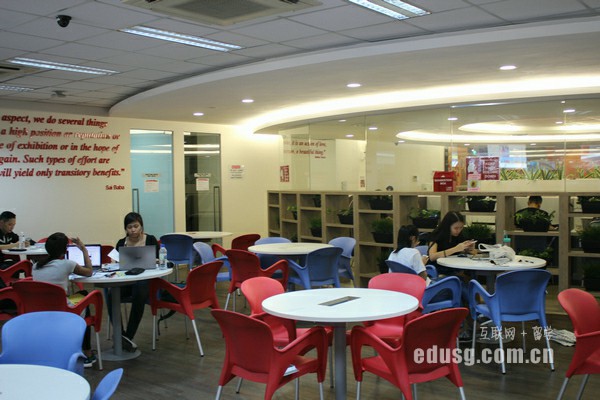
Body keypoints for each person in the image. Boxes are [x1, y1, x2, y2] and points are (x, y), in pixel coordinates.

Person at [31, 232, 96, 367]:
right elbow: (89, 271)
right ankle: (87, 353)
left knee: (81, 293)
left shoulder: (35, 266)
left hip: (41, 310)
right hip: (62, 310)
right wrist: (83, 249)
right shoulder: (67, 264)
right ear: (65, 250)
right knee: (85, 300)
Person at [107, 212, 159, 352]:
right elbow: (117, 263)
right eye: (129, 227)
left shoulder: (150, 240)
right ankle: (121, 334)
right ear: (126, 228)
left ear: (141, 226)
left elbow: (158, 260)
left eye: (136, 226)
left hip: (146, 281)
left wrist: (155, 260)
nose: (133, 230)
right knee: (111, 294)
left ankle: (127, 336)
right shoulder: (121, 243)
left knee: (140, 290)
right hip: (127, 280)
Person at [427, 211, 476, 276]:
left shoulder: (458, 235)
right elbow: (432, 257)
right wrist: (455, 249)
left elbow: (469, 252)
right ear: (447, 226)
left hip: (453, 267)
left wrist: (468, 249)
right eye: (456, 228)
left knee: (471, 272)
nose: (459, 230)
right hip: (437, 269)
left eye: (461, 227)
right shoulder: (437, 234)